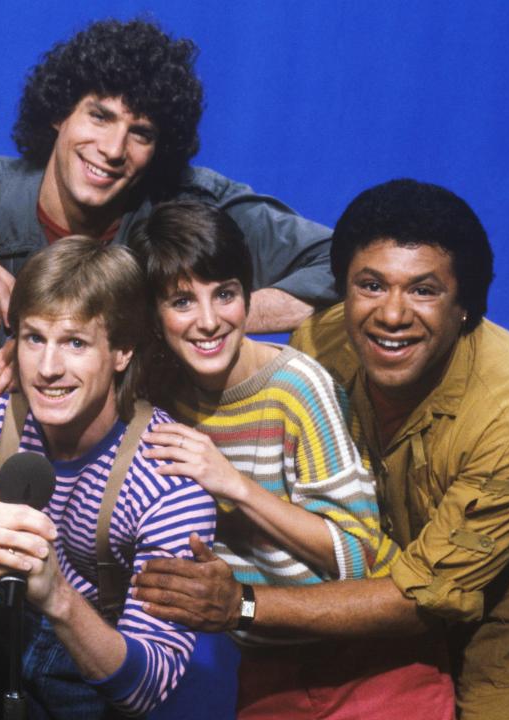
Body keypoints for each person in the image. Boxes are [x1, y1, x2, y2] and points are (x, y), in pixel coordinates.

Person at [136, 180, 509, 719]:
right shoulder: (320, 345)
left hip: (495, 604)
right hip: (344, 604)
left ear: (465, 305)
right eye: (370, 286)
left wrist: (241, 604)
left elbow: (426, 597)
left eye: (423, 290)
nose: (392, 315)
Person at [0, 17, 336, 350]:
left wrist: (201, 317)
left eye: (139, 132)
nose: (113, 149)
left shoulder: (188, 205)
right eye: (99, 116)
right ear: (58, 115)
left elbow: (347, 266)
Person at [129, 201, 454, 719]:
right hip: (269, 670)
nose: (210, 322)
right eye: (182, 301)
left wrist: (233, 484)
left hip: (373, 671)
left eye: (226, 295)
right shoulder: (158, 393)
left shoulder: (297, 387)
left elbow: (361, 555)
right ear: (151, 314)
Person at [0, 237, 217, 718]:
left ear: (123, 351)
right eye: (34, 338)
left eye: (76, 343)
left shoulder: (169, 476)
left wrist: (58, 597)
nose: (47, 369)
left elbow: (146, 686)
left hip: (86, 658)